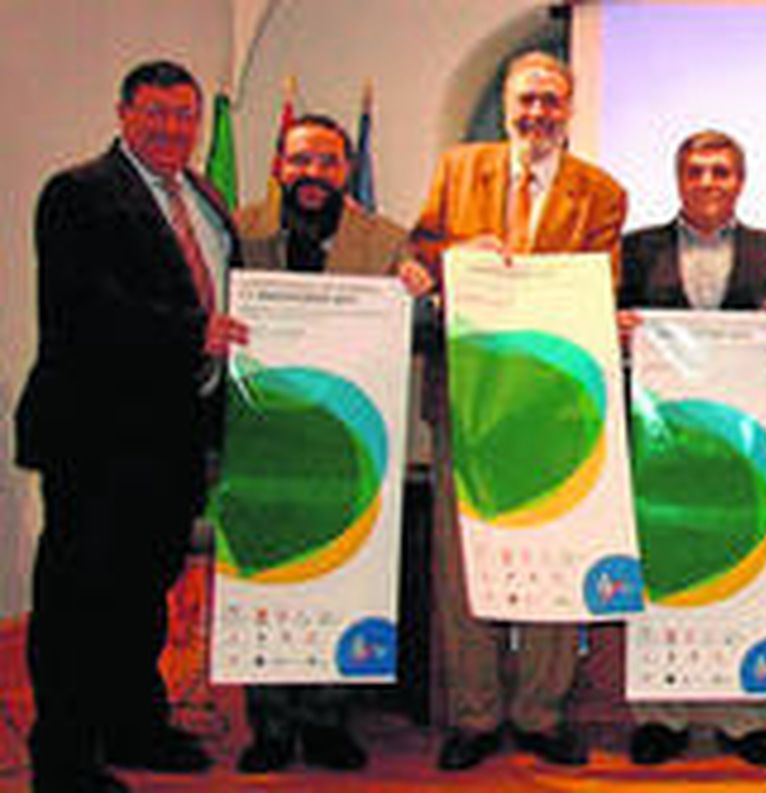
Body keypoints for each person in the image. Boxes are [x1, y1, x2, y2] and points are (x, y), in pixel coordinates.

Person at [14, 59, 247, 793]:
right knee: (80, 599)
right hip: (98, 437)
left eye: (184, 115)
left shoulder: (203, 198)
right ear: (123, 113)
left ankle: (134, 725)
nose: (173, 127)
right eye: (156, 113)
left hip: (174, 435)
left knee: (144, 595)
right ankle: (65, 756)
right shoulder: (79, 192)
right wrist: (191, 333)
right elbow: (85, 306)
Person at [409, 49, 627, 773]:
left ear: (569, 109)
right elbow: (418, 247)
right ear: (508, 105)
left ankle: (539, 710)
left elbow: (601, 287)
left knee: (553, 555)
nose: (538, 114)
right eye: (526, 100)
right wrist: (456, 254)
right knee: (459, 559)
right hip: (467, 399)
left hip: (553, 409)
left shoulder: (601, 192)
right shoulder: (458, 168)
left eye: (551, 102)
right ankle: (474, 712)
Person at [230, 113, 433, 774]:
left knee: (343, 573)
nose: (312, 175)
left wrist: (419, 295)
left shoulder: (388, 239)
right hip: (266, 436)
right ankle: (269, 723)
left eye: (327, 162)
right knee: (271, 571)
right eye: (300, 161)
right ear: (280, 165)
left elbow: (419, 329)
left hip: (351, 439)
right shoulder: (239, 228)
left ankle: (327, 717)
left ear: (347, 171)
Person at [618, 130, 766, 768]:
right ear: (679, 179)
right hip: (663, 444)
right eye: (696, 171)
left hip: (743, 446)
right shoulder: (636, 250)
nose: (709, 182)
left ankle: (747, 718)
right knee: (666, 567)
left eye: (722, 171)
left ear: (740, 181)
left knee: (746, 565)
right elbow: (612, 333)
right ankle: (661, 714)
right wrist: (618, 330)